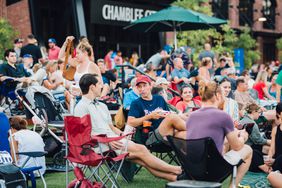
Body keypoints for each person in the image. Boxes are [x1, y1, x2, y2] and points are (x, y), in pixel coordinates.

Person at [74, 73, 182, 181]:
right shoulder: (81, 107)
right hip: (98, 146)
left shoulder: (102, 106)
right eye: (99, 84)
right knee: (142, 150)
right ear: (92, 87)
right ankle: (180, 170)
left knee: (142, 159)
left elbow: (111, 128)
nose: (101, 87)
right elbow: (81, 136)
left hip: (114, 141)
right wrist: (106, 140)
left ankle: (176, 178)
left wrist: (122, 134)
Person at [186, 81, 252, 187]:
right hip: (214, 170)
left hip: (192, 170)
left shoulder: (191, 116)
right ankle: (232, 187)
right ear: (218, 95)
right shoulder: (223, 116)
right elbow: (236, 146)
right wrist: (243, 137)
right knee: (248, 149)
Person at [127, 75, 187, 147]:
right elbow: (130, 122)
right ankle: (196, 129)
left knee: (186, 135)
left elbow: (168, 114)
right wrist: (149, 116)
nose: (142, 89)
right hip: (151, 136)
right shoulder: (136, 103)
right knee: (172, 117)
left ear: (150, 86)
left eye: (144, 85)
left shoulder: (159, 99)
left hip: (168, 131)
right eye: (139, 86)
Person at [240, 103, 271, 173]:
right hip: (247, 148)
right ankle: (266, 167)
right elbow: (258, 140)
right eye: (259, 112)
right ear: (254, 112)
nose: (259, 115)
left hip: (242, 147)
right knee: (257, 152)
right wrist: (271, 141)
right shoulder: (252, 123)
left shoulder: (242, 120)